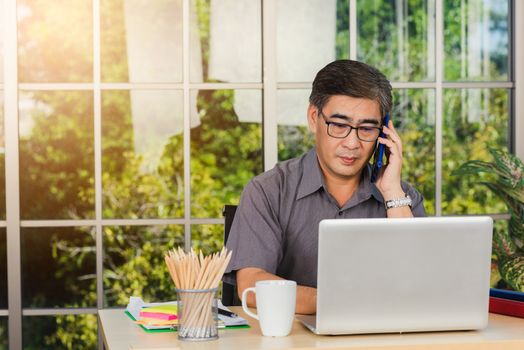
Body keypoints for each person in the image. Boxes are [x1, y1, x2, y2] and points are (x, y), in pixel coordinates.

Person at [224, 60, 426, 315]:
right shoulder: (268, 190)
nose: (352, 143)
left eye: (366, 128)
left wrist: (392, 194)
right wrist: (335, 302)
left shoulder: (402, 198)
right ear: (313, 118)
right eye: (340, 125)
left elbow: (420, 284)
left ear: (384, 133)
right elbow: (250, 283)